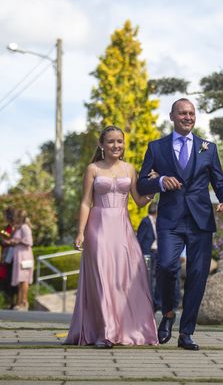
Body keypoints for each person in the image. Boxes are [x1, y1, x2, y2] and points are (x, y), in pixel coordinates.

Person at [138, 98, 223, 351]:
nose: (187, 117)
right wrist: (160, 182)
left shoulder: (208, 148)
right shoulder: (156, 148)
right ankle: (168, 313)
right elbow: (141, 183)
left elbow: (220, 181)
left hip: (201, 221)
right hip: (170, 220)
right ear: (172, 116)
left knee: (197, 276)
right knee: (167, 266)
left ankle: (187, 332)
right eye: (182, 113)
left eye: (191, 113)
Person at [65, 125, 158, 348]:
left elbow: (139, 200)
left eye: (119, 141)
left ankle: (126, 329)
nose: (116, 145)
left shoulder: (129, 169)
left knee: (124, 278)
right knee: (101, 276)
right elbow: (86, 202)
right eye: (111, 141)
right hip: (98, 227)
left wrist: (154, 187)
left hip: (123, 229)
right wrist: (80, 231)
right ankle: (105, 332)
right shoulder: (93, 169)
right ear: (102, 145)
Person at [136, 202, 181, 313]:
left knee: (159, 277)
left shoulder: (159, 221)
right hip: (149, 253)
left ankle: (161, 303)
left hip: (158, 253)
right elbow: (140, 238)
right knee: (151, 279)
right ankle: (153, 303)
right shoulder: (146, 221)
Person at [7, 209, 34, 311]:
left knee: (24, 280)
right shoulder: (19, 228)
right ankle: (19, 302)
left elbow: (29, 241)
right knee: (20, 280)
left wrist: (16, 241)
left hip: (24, 256)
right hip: (20, 255)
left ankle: (24, 302)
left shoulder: (24, 227)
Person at [0, 207, 18, 308]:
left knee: (12, 279)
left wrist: (8, 241)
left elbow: (16, 240)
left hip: (14, 256)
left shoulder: (16, 227)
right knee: (6, 279)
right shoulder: (7, 227)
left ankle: (14, 301)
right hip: (6, 256)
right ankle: (9, 301)